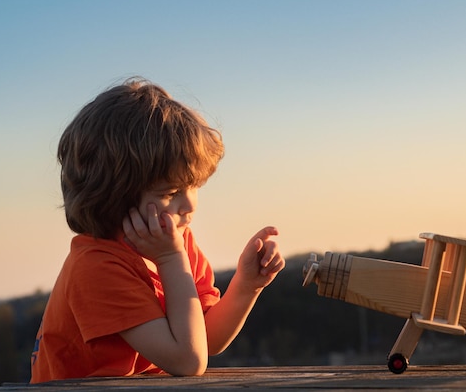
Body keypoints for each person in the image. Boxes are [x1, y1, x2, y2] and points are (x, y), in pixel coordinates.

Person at [30, 78, 285, 383]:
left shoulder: (175, 242)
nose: (189, 205)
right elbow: (187, 360)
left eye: (193, 187)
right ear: (116, 196)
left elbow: (205, 340)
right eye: (171, 192)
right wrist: (170, 259)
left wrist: (246, 286)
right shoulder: (97, 266)